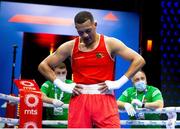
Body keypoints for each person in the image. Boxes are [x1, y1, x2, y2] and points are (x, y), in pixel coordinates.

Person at [38, 11, 145, 128]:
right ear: (76, 29)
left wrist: (119, 83)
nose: (85, 35)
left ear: (95, 24)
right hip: (79, 99)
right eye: (80, 32)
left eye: (88, 31)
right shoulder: (70, 46)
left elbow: (139, 60)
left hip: (104, 98)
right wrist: (62, 85)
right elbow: (43, 66)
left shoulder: (110, 43)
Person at [41, 63, 72, 128]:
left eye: (63, 73)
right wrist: (52, 101)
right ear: (53, 73)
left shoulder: (71, 84)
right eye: (58, 73)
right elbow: (41, 96)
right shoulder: (48, 84)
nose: (61, 75)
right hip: (50, 125)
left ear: (66, 72)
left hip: (67, 125)